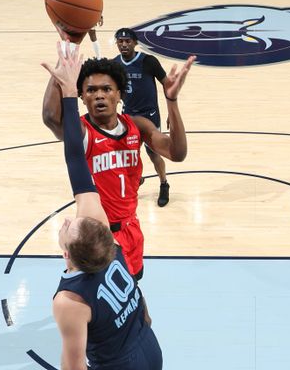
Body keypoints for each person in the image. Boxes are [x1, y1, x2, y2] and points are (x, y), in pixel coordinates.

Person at [42, 41, 168, 370]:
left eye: (69, 224)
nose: (71, 218)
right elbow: (77, 158)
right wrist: (68, 95)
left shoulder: (71, 297)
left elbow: (74, 368)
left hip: (115, 369)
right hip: (149, 349)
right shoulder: (114, 252)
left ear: (68, 249)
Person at [42, 47, 192, 279]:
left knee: (131, 293)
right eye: (91, 90)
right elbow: (51, 117)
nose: (99, 95)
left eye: (106, 89)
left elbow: (177, 153)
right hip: (96, 236)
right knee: (98, 303)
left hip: (131, 230)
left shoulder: (137, 126)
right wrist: (63, 68)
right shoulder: (81, 131)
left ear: (120, 94)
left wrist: (171, 100)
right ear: (81, 97)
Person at [113, 28, 172, 207]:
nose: (124, 44)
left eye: (128, 41)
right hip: (128, 116)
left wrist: (172, 109)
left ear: (135, 43)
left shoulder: (148, 61)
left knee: (153, 153)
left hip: (150, 116)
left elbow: (167, 84)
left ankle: (164, 183)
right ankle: (136, 179)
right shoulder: (115, 64)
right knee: (128, 154)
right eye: (120, 41)